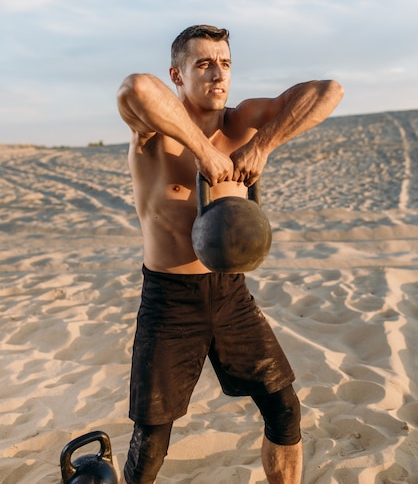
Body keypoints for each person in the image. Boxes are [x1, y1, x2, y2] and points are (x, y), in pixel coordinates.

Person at [117, 24, 344, 484]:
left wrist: (262, 145)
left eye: (224, 64)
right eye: (202, 64)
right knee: (152, 442)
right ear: (176, 75)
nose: (218, 75)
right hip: (169, 300)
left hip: (230, 295)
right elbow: (136, 88)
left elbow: (329, 91)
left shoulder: (243, 123)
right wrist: (201, 150)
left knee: (285, 412)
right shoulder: (151, 131)